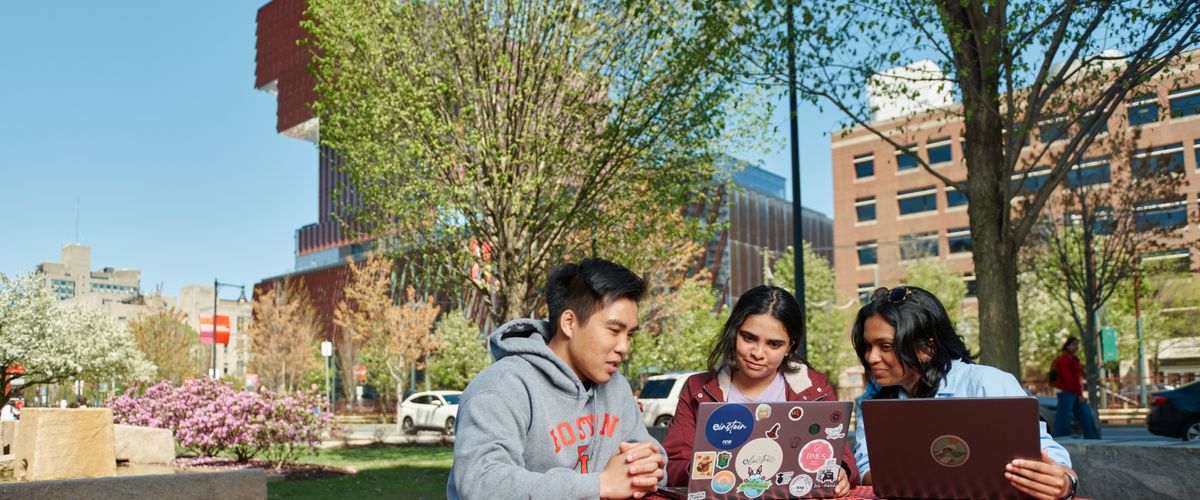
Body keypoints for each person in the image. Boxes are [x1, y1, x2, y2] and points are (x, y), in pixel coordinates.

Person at [448, 259, 665, 500]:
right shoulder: (500, 388)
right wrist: (599, 485)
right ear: (569, 323)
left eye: (630, 334)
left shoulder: (617, 387)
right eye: (614, 331)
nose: (624, 347)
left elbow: (655, 465)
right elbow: (481, 483)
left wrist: (648, 466)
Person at [852, 286, 1078, 500]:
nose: (871, 357)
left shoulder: (987, 383)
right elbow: (866, 467)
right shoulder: (873, 397)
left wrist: (1065, 483)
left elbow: (1049, 456)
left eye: (886, 346)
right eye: (868, 346)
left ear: (928, 348)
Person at [662, 285, 858, 495]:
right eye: (749, 338)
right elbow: (672, 465)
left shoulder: (814, 388)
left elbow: (842, 457)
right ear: (734, 332)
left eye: (774, 344)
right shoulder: (697, 389)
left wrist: (841, 472)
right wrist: (704, 472)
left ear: (789, 347)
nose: (758, 353)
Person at [1052, 336, 1101, 439]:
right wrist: (1078, 394)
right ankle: (1059, 438)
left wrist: (1079, 394)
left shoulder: (1075, 359)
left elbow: (1076, 379)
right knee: (1063, 418)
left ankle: (1092, 438)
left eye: (1077, 344)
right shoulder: (1063, 359)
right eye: (1073, 344)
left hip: (1075, 393)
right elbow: (1068, 379)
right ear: (1067, 346)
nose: (1076, 346)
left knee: (1086, 414)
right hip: (1066, 392)